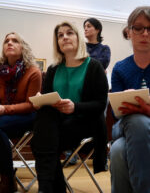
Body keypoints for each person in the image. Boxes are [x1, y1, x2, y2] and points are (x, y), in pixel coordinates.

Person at [31, 21, 108, 193]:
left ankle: (47, 189)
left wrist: (76, 107)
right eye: (60, 35)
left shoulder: (94, 66)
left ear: (78, 38)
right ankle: (48, 189)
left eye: (69, 33)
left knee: (41, 143)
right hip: (57, 123)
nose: (64, 37)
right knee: (44, 118)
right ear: (57, 42)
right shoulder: (52, 69)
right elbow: (48, 99)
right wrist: (41, 100)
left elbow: (101, 104)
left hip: (85, 122)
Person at [110, 6, 150, 193]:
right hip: (124, 125)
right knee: (135, 120)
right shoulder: (120, 68)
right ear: (129, 32)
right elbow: (115, 113)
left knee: (118, 150)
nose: (145, 33)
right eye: (138, 28)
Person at [0, 32, 42, 193]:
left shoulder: (33, 71)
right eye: (6, 41)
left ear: (23, 48)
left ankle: (7, 178)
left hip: (28, 116)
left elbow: (31, 105)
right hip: (4, 116)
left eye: (15, 41)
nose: (9, 43)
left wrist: (5, 109)